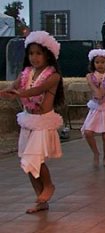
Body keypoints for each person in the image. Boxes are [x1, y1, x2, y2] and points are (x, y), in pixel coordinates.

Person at [0, 31, 65, 214]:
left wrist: (20, 94)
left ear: (48, 54)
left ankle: (49, 185)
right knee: (27, 162)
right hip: (28, 119)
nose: (34, 57)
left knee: (34, 158)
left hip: (43, 122)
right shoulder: (26, 73)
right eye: (31, 54)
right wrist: (6, 92)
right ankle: (40, 199)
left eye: (38, 53)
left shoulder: (53, 76)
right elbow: (12, 88)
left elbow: (37, 90)